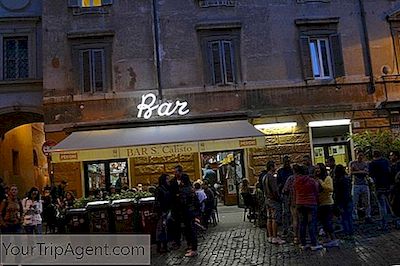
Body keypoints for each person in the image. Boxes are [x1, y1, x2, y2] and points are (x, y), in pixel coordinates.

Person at [294, 165, 322, 250]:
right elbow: (316, 192)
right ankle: (313, 243)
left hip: (299, 203)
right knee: (311, 223)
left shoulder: (296, 181)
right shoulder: (312, 181)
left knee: (302, 223)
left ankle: (303, 243)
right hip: (311, 203)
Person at [315, 163, 339, 247]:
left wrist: (321, 182)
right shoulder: (316, 179)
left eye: (318, 168)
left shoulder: (327, 178)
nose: (317, 170)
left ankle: (333, 238)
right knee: (323, 222)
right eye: (316, 168)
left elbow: (330, 189)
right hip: (320, 203)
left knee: (327, 221)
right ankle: (328, 238)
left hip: (327, 203)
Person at [369, 150, 392, 230]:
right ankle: (396, 221)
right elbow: (390, 171)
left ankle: (384, 224)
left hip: (378, 186)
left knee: (382, 206)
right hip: (388, 185)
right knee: (390, 204)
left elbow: (371, 176)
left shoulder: (372, 163)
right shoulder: (386, 161)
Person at [264, 160, 285, 245]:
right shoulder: (271, 177)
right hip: (273, 200)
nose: (276, 167)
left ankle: (270, 236)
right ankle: (275, 236)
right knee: (275, 219)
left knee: (269, 218)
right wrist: (279, 198)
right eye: (275, 166)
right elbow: (275, 190)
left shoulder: (265, 176)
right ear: (272, 167)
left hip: (267, 199)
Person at [179, 174, 200, 257]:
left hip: (187, 213)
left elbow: (183, 203)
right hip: (192, 212)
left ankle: (193, 249)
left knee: (190, 231)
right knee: (191, 230)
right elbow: (196, 202)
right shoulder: (191, 189)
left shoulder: (184, 190)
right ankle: (193, 248)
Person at [349, 151, 372, 222]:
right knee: (354, 201)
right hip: (356, 184)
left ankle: (368, 215)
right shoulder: (352, 163)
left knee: (367, 201)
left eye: (362, 155)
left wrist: (357, 170)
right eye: (359, 155)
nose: (360, 157)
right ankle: (355, 216)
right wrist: (360, 171)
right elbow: (351, 172)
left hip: (364, 184)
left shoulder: (365, 163)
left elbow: (366, 172)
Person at [333, 165, 354, 238]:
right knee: (349, 217)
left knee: (344, 217)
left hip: (341, 200)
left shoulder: (337, 180)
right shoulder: (347, 179)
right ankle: (351, 232)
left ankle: (346, 233)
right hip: (348, 198)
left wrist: (336, 203)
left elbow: (337, 192)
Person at [277, 155, 293, 236]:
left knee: (292, 212)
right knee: (285, 212)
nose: (287, 163)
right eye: (285, 162)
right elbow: (278, 183)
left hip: (292, 194)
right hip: (285, 194)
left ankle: (292, 227)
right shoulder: (280, 171)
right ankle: (285, 228)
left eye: (288, 161)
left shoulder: (292, 170)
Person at [168, 165, 184, 249]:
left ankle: (189, 243)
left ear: (180, 172)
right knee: (176, 225)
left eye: (176, 171)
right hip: (175, 207)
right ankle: (177, 242)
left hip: (184, 207)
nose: (175, 173)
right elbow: (171, 194)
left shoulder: (185, 179)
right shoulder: (172, 181)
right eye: (174, 172)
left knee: (187, 225)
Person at [155, 173, 171, 253]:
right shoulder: (159, 189)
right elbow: (157, 201)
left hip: (167, 210)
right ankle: (159, 247)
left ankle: (165, 246)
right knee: (161, 229)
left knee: (165, 229)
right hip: (161, 211)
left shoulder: (167, 188)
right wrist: (160, 211)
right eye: (167, 179)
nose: (168, 180)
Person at [283, 167, 298, 244]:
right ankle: (305, 236)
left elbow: (285, 190)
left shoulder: (291, 178)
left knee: (295, 219)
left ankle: (296, 237)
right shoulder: (304, 178)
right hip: (303, 201)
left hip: (293, 201)